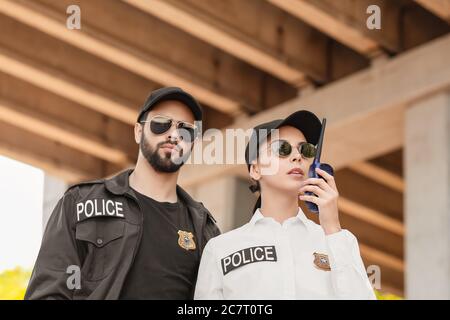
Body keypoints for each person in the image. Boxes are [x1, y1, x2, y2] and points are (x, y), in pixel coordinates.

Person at [25, 87, 220, 300]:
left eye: (186, 130)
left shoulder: (204, 229)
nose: (174, 135)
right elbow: (48, 293)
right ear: (138, 131)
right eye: (161, 124)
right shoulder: (81, 203)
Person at [194, 110, 376, 300]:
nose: (298, 156)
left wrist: (332, 227)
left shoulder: (337, 240)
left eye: (305, 150)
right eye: (282, 149)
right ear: (255, 169)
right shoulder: (220, 249)